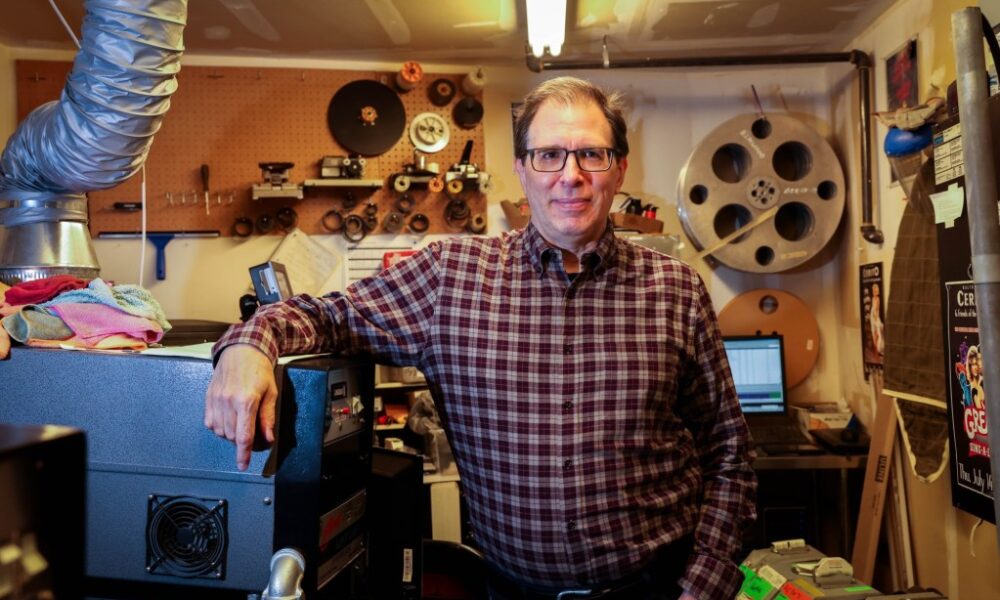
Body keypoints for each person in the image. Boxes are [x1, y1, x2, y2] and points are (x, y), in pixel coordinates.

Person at [205, 76, 755, 600]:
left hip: (658, 586)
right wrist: (251, 342)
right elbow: (331, 315)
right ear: (522, 169)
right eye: (549, 155)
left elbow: (729, 454)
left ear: (619, 168)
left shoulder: (676, 289)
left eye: (592, 154)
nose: (571, 175)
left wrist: (704, 585)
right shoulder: (451, 277)